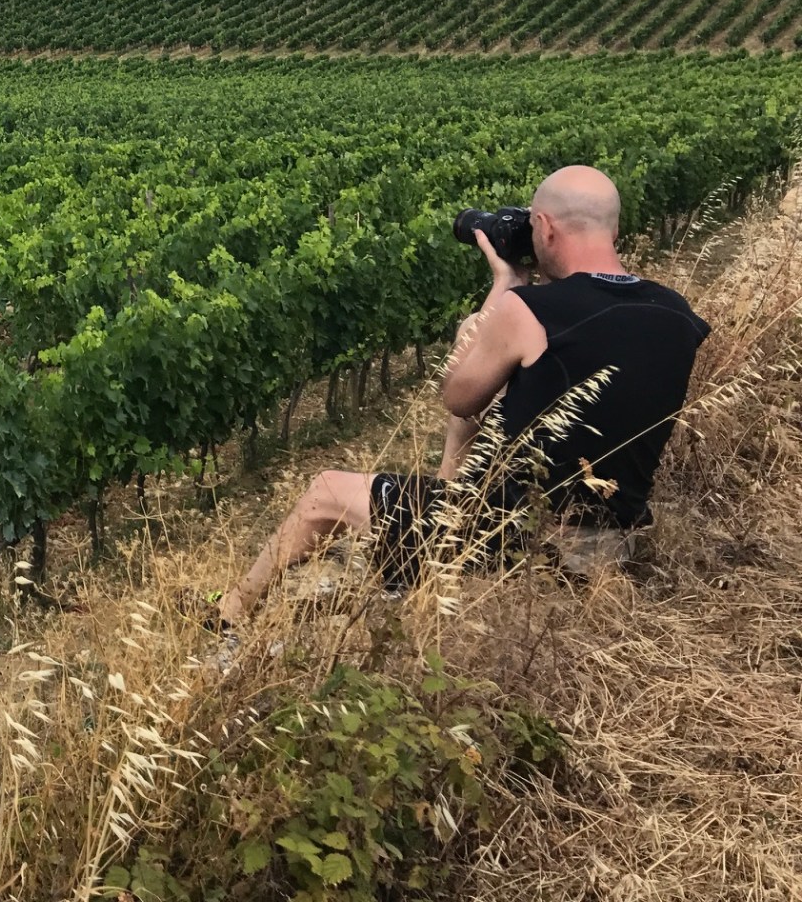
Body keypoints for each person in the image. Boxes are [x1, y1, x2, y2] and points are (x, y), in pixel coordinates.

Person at [215, 165, 709, 628]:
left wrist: (504, 287)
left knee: (326, 490)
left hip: (519, 538)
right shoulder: (675, 313)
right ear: (614, 231)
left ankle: (230, 613)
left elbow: (457, 397)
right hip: (614, 534)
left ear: (545, 226)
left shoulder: (529, 310)